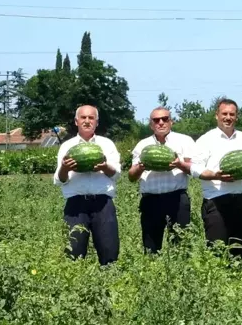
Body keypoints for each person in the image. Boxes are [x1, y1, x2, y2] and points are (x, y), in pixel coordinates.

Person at [190, 98, 242, 260]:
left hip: (241, 200)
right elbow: (194, 168)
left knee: (239, 251)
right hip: (216, 201)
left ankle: (237, 281)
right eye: (224, 114)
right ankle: (216, 283)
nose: (228, 117)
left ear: (236, 117)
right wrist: (215, 175)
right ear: (217, 115)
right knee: (216, 251)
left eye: (232, 114)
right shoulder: (206, 139)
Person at [53, 105, 121, 266]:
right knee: (74, 252)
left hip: (103, 203)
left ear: (97, 122)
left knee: (109, 250)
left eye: (91, 118)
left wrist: (105, 167)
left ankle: (110, 285)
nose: (87, 121)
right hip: (76, 204)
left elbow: (117, 174)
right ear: (76, 121)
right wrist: (65, 167)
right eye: (83, 117)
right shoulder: (67, 147)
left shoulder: (107, 144)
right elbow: (59, 180)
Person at [128, 107, 195, 254]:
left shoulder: (184, 140)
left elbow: (194, 169)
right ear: (151, 124)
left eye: (165, 119)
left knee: (181, 246)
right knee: (150, 248)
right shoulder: (142, 145)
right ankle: (152, 274)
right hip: (150, 201)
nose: (161, 123)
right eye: (156, 120)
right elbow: (131, 176)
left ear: (171, 121)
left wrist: (179, 164)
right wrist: (140, 167)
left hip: (177, 199)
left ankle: (182, 275)